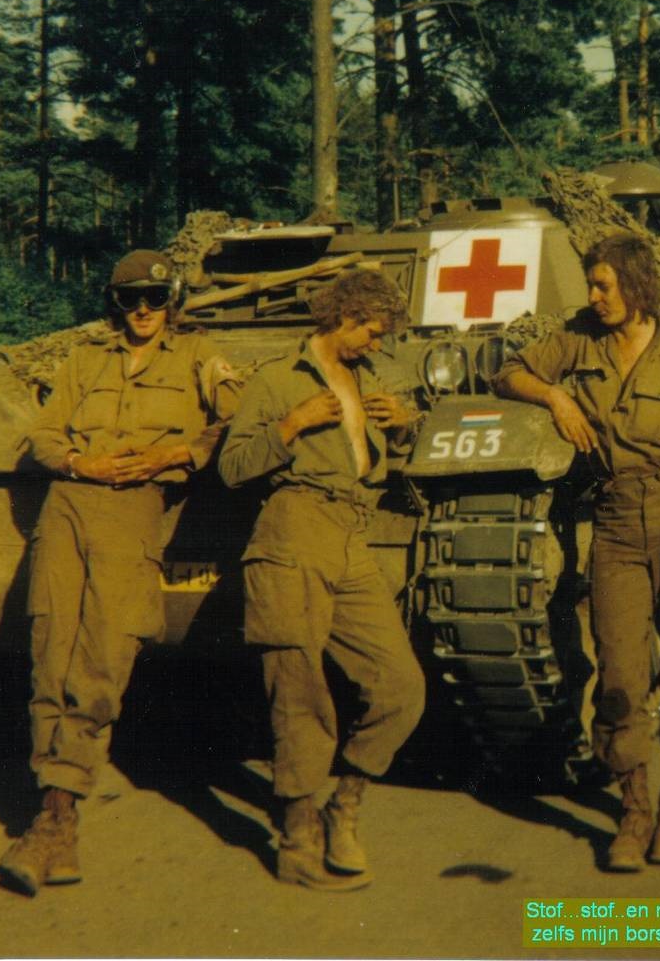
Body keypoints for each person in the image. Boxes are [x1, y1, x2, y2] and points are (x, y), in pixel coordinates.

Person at [0, 249, 241, 896]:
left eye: (155, 299)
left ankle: (56, 815)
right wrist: (81, 463)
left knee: (101, 660)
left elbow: (233, 423)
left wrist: (172, 455)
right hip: (67, 506)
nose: (143, 310)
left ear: (172, 302)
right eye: (130, 298)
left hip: (133, 510)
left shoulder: (199, 358)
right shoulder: (85, 360)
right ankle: (56, 818)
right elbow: (44, 436)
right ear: (115, 302)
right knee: (50, 654)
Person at [493, 233, 660, 871]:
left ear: (636, 285)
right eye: (591, 285)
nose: (594, 296)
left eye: (604, 285)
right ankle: (635, 809)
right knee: (621, 674)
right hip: (618, 521)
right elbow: (508, 372)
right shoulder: (580, 338)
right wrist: (555, 395)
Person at [218, 267, 426, 892]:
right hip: (294, 529)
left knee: (401, 685)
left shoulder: (367, 378)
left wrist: (402, 424)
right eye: (371, 331)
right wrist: (291, 426)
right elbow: (233, 466)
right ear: (343, 316)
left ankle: (346, 804)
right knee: (300, 694)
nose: (376, 344)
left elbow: (380, 455)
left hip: (351, 535)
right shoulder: (278, 379)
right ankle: (298, 838)